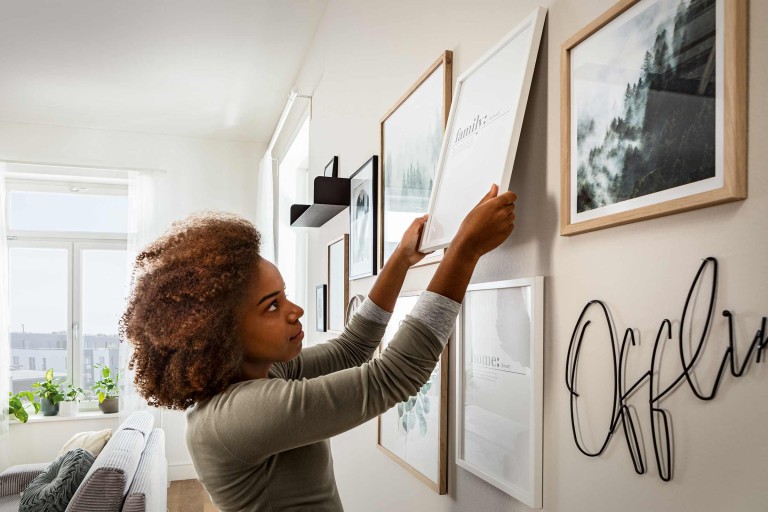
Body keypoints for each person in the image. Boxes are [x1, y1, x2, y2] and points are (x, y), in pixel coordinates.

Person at [121, 184, 516, 511]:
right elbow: (393, 376)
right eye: (272, 306)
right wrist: (464, 251)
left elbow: (352, 349)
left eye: (284, 295)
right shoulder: (237, 416)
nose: (296, 311)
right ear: (221, 334)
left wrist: (400, 259)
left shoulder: (258, 375)